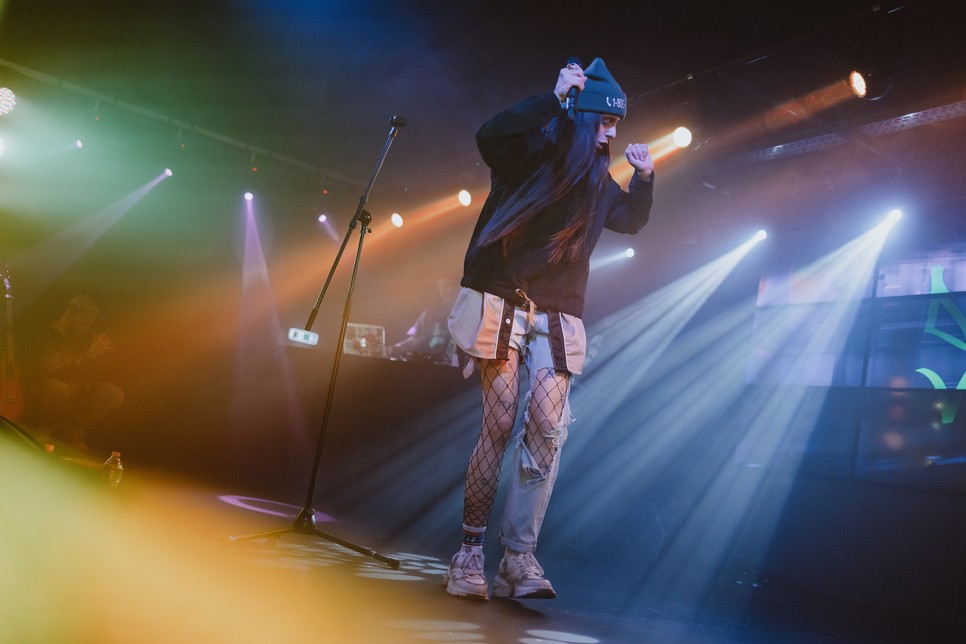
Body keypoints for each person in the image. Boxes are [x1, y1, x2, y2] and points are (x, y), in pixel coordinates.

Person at [443, 58, 655, 600]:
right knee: (498, 424)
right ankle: (469, 554)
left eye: (617, 123)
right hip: (502, 298)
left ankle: (518, 558)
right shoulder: (534, 151)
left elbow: (629, 219)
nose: (612, 133)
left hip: (557, 313)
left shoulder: (596, 179)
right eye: (605, 121)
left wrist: (645, 179)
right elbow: (490, 136)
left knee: (545, 427)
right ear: (583, 116)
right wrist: (552, 98)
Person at [25, 294, 124, 451]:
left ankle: (72, 426)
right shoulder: (47, 336)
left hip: (74, 388)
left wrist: (103, 355)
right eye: (83, 323)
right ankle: (46, 427)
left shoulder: (78, 337)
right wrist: (90, 354)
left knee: (113, 393)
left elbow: (88, 372)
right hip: (45, 390)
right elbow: (57, 373)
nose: (86, 328)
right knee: (58, 388)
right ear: (69, 315)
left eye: (89, 325)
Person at [388, 276, 460, 366]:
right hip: (428, 366)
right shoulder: (428, 314)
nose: (444, 291)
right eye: (441, 287)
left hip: (454, 369)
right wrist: (395, 348)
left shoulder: (464, 315)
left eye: (448, 286)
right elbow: (414, 340)